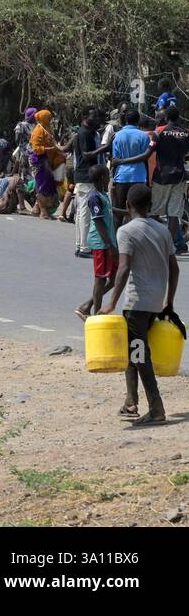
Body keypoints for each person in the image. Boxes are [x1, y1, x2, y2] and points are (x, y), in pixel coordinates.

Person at [98, 184, 177, 425]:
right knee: (134, 351)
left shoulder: (126, 231)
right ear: (150, 205)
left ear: (129, 206)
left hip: (136, 305)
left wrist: (110, 303)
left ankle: (156, 408)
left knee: (139, 354)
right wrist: (169, 301)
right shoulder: (163, 230)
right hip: (155, 303)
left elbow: (123, 269)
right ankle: (130, 402)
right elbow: (175, 268)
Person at [76, 165, 119, 319]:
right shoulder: (94, 197)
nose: (109, 178)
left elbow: (109, 210)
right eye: (108, 175)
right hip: (102, 243)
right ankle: (95, 315)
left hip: (109, 241)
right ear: (102, 178)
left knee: (115, 278)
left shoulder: (102, 194)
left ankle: (87, 305)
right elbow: (99, 222)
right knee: (100, 278)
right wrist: (109, 245)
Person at [71, 108, 110, 257]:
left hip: (84, 176)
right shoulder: (84, 133)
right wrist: (104, 148)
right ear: (85, 116)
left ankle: (81, 245)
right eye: (94, 116)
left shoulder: (88, 132)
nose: (97, 119)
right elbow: (86, 155)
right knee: (85, 213)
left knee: (82, 212)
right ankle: (84, 248)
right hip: (86, 177)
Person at [151, 106, 189, 251]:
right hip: (179, 176)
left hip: (162, 176)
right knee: (174, 214)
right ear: (178, 117)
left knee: (155, 211)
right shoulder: (184, 133)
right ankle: (169, 246)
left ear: (166, 117)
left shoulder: (159, 132)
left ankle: (155, 243)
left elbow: (150, 150)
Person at [109, 109, 153, 227]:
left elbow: (115, 161)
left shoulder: (117, 136)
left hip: (122, 178)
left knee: (118, 212)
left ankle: (117, 242)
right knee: (138, 213)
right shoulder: (144, 136)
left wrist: (113, 180)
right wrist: (148, 181)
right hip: (139, 177)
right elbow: (145, 159)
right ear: (138, 121)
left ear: (125, 120)